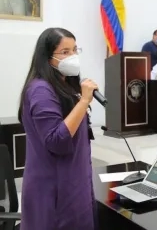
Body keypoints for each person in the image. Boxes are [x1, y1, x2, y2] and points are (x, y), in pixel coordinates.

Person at [17, 28, 98, 230]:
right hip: (54, 189)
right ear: (48, 57)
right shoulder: (40, 90)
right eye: (65, 52)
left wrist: (81, 102)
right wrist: (84, 101)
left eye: (75, 50)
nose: (73, 57)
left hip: (73, 181)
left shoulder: (65, 85)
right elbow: (56, 140)